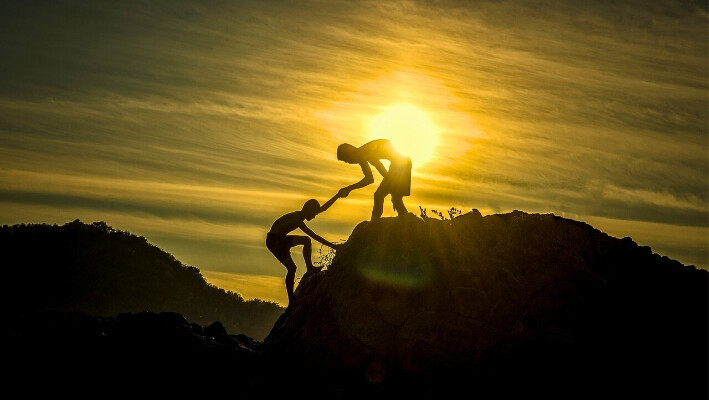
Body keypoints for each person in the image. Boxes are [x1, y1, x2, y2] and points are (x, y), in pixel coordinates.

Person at [266, 194, 339, 307]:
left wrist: (338, 195)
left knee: (306, 241)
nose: (314, 217)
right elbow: (314, 236)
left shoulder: (301, 215)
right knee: (292, 268)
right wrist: (334, 247)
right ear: (308, 209)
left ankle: (309, 267)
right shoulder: (297, 219)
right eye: (313, 214)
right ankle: (292, 300)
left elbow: (323, 208)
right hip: (275, 242)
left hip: (280, 239)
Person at [336, 139, 412, 220]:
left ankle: (375, 222)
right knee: (394, 199)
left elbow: (369, 179)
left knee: (380, 196)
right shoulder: (366, 152)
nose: (349, 162)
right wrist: (392, 188)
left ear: (349, 153)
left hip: (400, 166)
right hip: (403, 164)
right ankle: (403, 220)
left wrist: (349, 188)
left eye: (347, 160)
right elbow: (383, 172)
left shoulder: (360, 155)